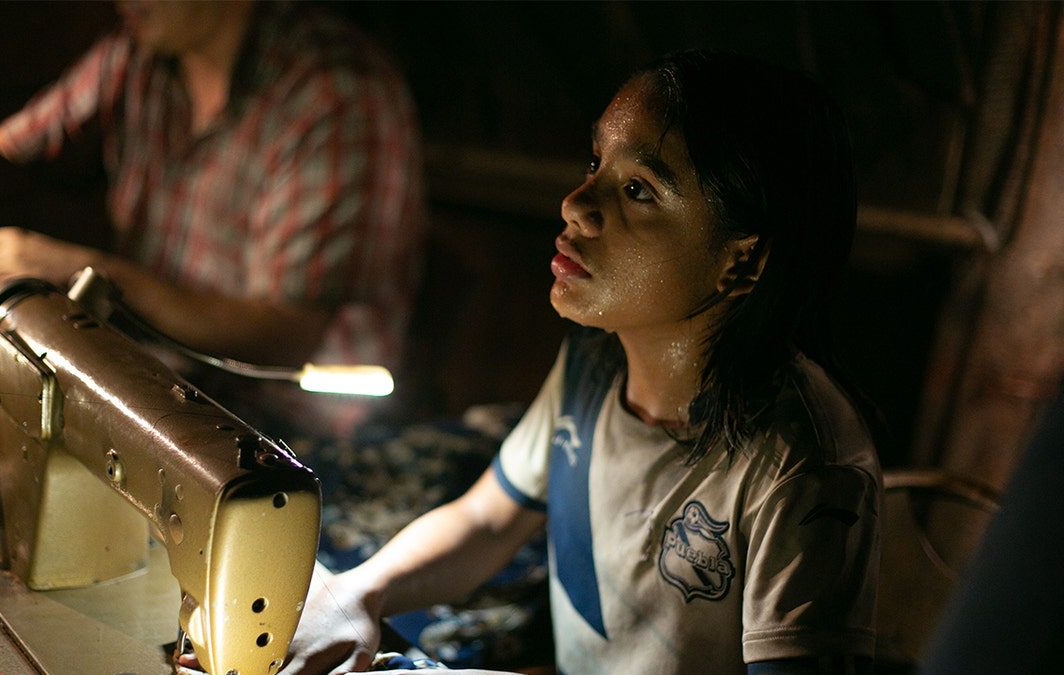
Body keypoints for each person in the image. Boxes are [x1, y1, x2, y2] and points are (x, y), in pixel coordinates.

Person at [267, 51, 882, 675]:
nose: (576, 205)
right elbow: (487, 519)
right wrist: (356, 595)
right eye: (596, 163)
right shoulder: (597, 358)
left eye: (638, 190)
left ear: (742, 262)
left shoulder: (801, 469)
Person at [0, 0, 425, 440]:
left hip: (299, 435)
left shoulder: (337, 95)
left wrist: (80, 267)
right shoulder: (138, 50)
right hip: (162, 395)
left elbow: (281, 338)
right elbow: (6, 154)